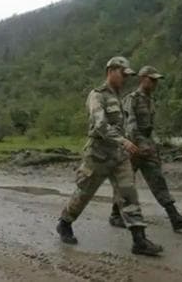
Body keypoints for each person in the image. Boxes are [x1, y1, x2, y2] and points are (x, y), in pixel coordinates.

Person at [56, 56, 163, 256]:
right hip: (98, 154)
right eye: (123, 74)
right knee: (84, 193)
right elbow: (100, 124)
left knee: (128, 192)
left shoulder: (119, 96)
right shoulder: (97, 95)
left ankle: (139, 240)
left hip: (119, 156)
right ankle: (65, 222)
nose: (125, 78)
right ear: (111, 71)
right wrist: (123, 140)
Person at [108, 66, 182, 231]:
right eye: (152, 80)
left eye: (156, 80)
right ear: (142, 78)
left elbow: (149, 127)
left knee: (157, 179)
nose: (155, 83)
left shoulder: (150, 100)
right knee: (126, 183)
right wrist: (140, 144)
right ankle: (116, 214)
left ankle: (174, 216)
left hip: (146, 146)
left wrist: (151, 144)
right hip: (132, 147)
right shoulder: (133, 99)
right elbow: (130, 125)